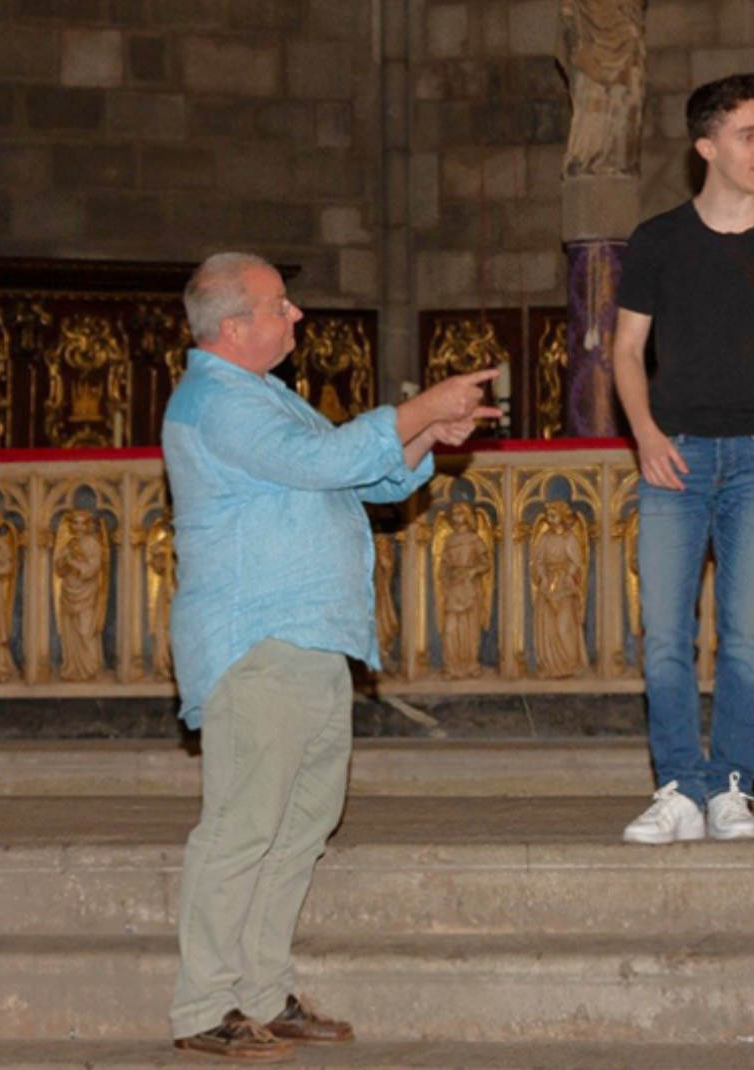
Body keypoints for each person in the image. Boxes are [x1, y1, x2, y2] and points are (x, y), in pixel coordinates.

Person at [164, 252, 498, 1062]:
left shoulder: (266, 394)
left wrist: (423, 434)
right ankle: (204, 1004)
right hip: (257, 641)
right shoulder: (215, 401)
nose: (297, 316)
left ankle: (262, 992)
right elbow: (325, 462)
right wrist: (421, 406)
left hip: (309, 639)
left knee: (301, 825)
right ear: (234, 326)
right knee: (243, 826)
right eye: (280, 305)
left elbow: (366, 482)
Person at [611, 72, 754, 844]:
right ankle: (679, 788)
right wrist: (645, 433)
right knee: (666, 636)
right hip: (673, 457)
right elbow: (626, 350)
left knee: (743, 636)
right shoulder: (658, 241)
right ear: (706, 146)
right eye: (748, 134)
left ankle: (733, 789)